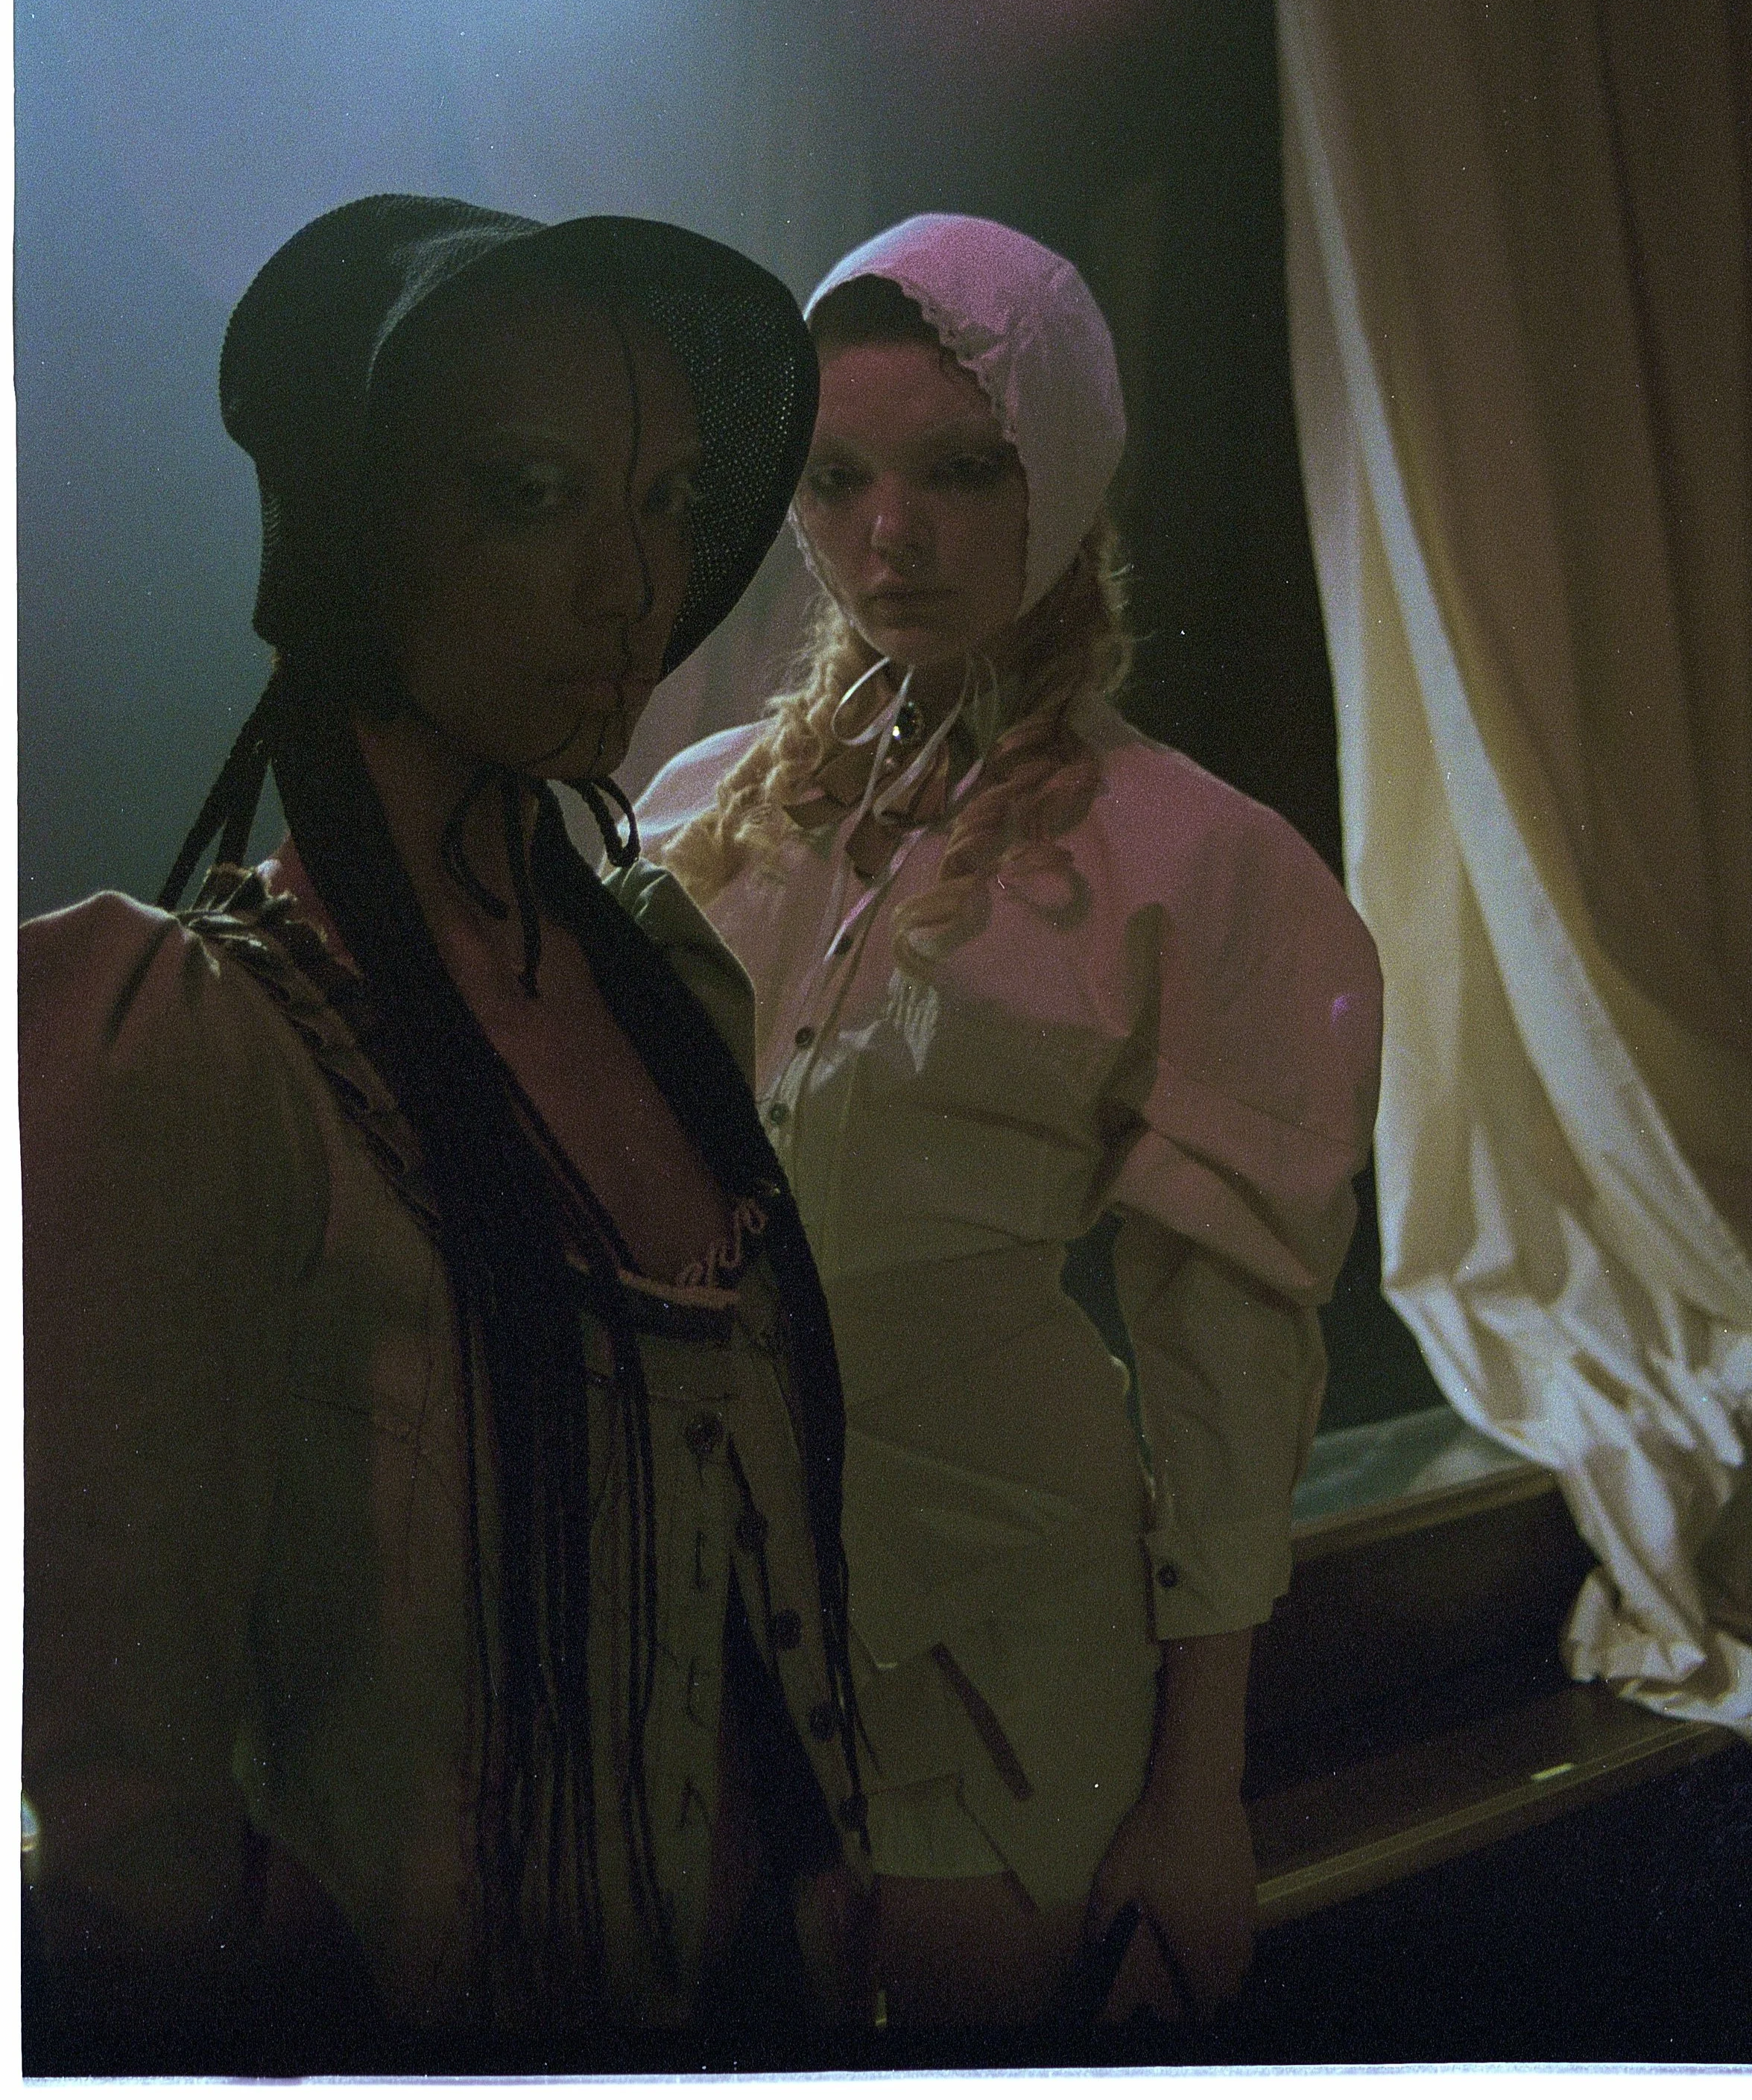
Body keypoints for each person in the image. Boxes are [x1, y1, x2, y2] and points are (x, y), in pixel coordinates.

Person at [21, 194, 871, 2073]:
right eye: (532, 494)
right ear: (355, 532)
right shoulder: (196, 1049)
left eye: (660, 507)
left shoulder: (666, 988)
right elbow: (120, 1793)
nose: (628, 591)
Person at [641, 213, 1385, 2040]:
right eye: (834, 478)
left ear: (1055, 468)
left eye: (959, 471)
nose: (886, 534)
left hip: (993, 1596)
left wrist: (1194, 1797)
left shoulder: (1191, 861)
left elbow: (1222, 1354)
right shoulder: (703, 806)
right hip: (700, 1577)